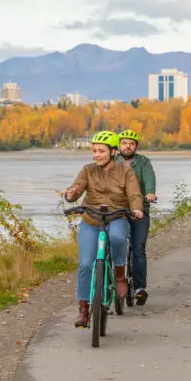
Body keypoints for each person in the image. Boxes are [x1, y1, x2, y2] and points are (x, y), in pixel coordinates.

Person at [65, 131, 145, 328]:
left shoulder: (125, 171)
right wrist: (71, 194)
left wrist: (136, 209)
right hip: (91, 219)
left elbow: (134, 193)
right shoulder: (88, 170)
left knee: (118, 238)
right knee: (85, 264)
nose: (96, 155)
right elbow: (77, 188)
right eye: (94, 151)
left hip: (117, 216)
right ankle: (84, 308)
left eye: (101, 151)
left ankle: (119, 274)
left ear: (113, 152)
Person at [117, 129, 157, 305]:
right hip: (117, 210)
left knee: (138, 248)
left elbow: (149, 180)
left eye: (131, 144)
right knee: (115, 243)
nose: (128, 146)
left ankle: (140, 288)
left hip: (140, 209)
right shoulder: (111, 162)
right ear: (119, 145)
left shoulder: (143, 162)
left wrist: (150, 193)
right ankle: (112, 282)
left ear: (136, 146)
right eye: (124, 143)